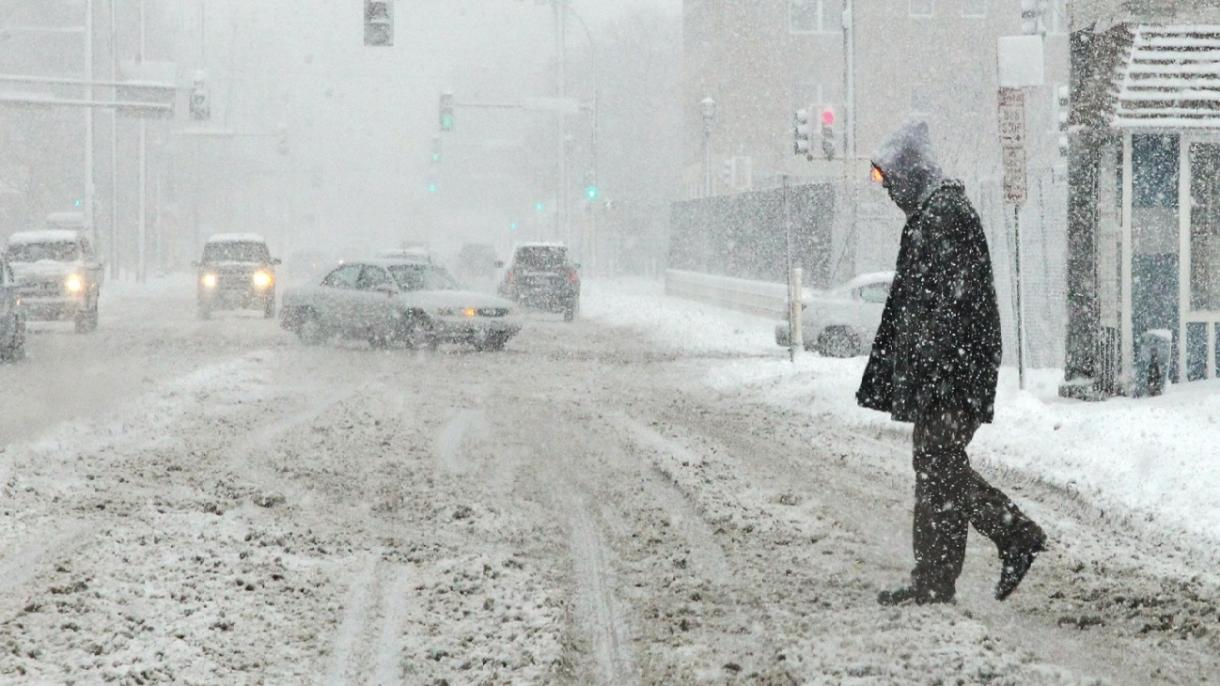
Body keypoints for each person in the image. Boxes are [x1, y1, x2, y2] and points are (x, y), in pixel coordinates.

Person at [857, 119, 1046, 605]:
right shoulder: (932, 212)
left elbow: (946, 311)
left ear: (911, 172)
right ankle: (934, 582)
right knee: (935, 468)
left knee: (939, 467)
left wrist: (932, 374)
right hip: (947, 372)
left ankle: (1014, 534)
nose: (890, 192)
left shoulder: (944, 214)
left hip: (953, 373)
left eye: (892, 180)